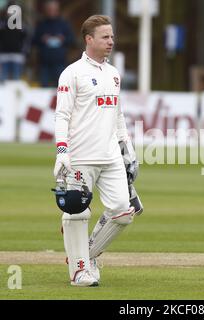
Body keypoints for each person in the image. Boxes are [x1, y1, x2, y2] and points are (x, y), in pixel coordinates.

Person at [54, 15, 140, 287]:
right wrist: (62, 151)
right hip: (80, 156)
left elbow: (118, 115)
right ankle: (79, 271)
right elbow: (62, 115)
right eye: (105, 37)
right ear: (89, 39)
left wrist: (128, 148)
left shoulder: (113, 74)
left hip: (110, 156)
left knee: (123, 212)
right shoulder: (72, 73)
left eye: (112, 37)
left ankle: (86, 255)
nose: (111, 41)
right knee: (77, 212)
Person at [33, 0, 74, 87]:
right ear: (46, 10)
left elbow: (72, 40)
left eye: (53, 9)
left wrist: (63, 39)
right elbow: (33, 41)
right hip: (44, 64)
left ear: (57, 10)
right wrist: (42, 39)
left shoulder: (64, 24)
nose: (51, 11)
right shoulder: (41, 25)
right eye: (49, 9)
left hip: (60, 64)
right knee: (43, 91)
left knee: (63, 90)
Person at [0, 4, 29, 82]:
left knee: (16, 79)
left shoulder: (22, 25)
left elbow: (26, 40)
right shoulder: (2, 24)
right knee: (2, 80)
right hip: (3, 55)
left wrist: (24, 52)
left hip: (17, 56)